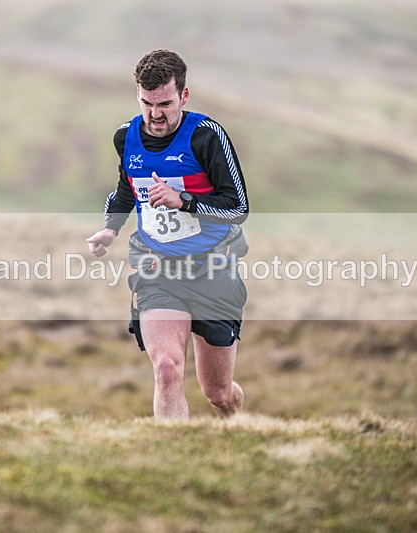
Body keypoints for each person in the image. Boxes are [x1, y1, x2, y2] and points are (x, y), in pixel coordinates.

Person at [86, 49, 250, 419]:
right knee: (166, 370)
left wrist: (185, 201)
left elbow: (238, 207)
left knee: (218, 393)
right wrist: (111, 228)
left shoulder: (206, 137)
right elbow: (128, 189)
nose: (155, 114)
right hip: (158, 269)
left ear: (184, 96)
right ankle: (175, 458)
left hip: (213, 271)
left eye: (165, 103)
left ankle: (236, 421)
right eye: (147, 103)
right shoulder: (126, 137)